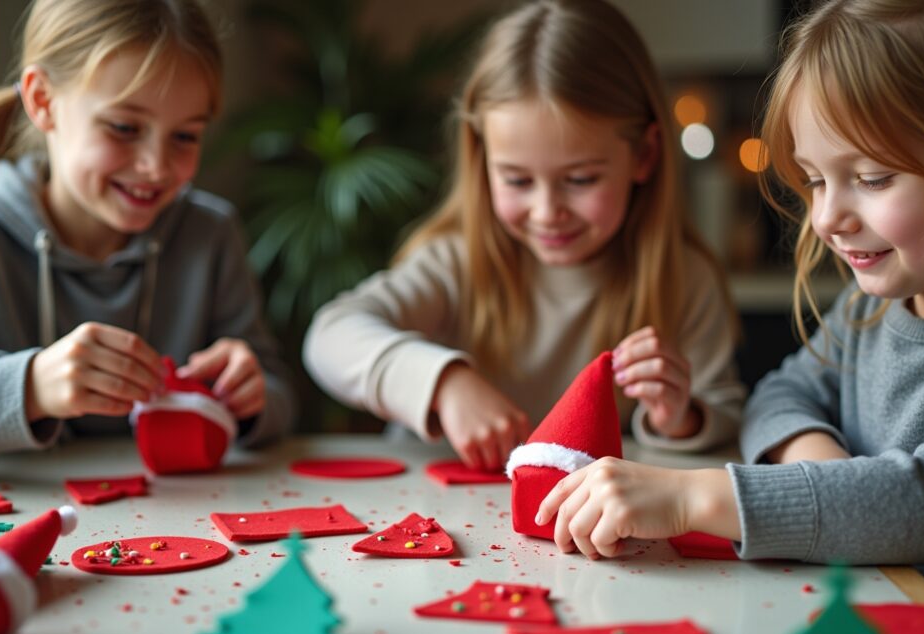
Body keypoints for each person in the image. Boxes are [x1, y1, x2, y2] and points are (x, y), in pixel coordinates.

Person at [537, 0, 924, 610]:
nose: (827, 218)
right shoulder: (867, 313)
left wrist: (692, 499)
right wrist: (819, 465)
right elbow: (778, 394)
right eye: (817, 179)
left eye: (875, 177)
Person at [303, 0, 745, 471]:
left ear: (644, 155)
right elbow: (330, 336)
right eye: (516, 180)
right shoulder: (457, 261)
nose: (546, 212)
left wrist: (679, 417)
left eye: (580, 180)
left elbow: (723, 417)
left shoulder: (684, 280)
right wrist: (444, 382)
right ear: (482, 160)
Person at [0, 0, 295, 464]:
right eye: (125, 128)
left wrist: (252, 396)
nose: (155, 166)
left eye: (185, 136)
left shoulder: (210, 235)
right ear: (42, 101)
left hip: (176, 524)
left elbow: (279, 395)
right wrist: (30, 388)